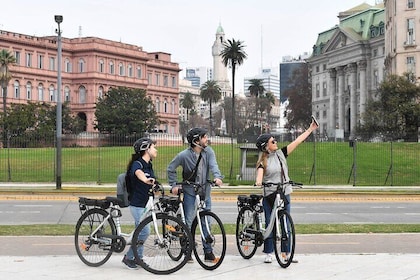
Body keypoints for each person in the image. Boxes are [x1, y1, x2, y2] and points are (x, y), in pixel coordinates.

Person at [255, 119, 318, 264]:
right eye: (273, 141)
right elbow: (259, 173)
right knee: (270, 223)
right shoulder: (263, 161)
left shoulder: (281, 154)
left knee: (285, 223)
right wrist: (259, 181)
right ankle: (269, 253)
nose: (275, 142)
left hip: (284, 192)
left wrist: (310, 130)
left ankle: (286, 253)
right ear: (266, 146)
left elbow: (297, 142)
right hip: (269, 194)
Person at [167, 127, 223, 263]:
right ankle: (187, 251)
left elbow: (214, 166)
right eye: (204, 137)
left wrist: (217, 177)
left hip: (205, 192)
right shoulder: (184, 155)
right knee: (189, 221)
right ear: (196, 141)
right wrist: (174, 185)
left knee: (206, 221)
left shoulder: (208, 152)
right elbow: (171, 168)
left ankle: (208, 252)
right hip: (190, 192)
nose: (207, 139)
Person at [122, 137, 158, 270]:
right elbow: (139, 174)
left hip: (146, 204)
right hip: (137, 204)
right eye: (153, 147)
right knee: (143, 232)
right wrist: (146, 180)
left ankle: (138, 258)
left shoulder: (149, 164)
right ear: (146, 149)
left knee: (141, 231)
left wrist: (155, 186)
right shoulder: (138, 164)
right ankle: (129, 257)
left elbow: (151, 180)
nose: (156, 149)